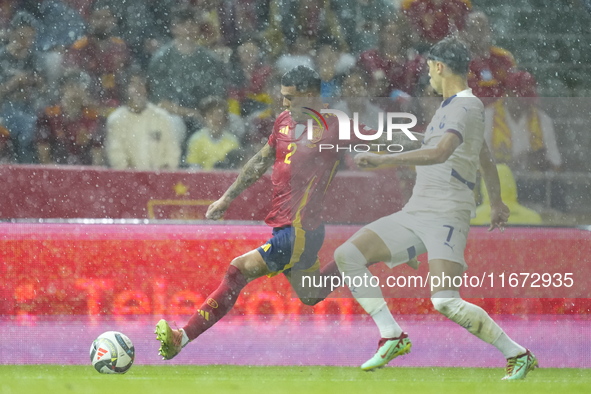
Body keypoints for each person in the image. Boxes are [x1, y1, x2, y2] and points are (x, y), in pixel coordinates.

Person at [154, 65, 421, 360]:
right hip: (288, 229)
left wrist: (436, 144)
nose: (284, 104)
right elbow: (260, 161)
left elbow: (386, 137)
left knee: (236, 271)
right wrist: (225, 199)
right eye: (283, 97)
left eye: (290, 97)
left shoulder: (336, 126)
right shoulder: (283, 121)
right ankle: (373, 252)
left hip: (299, 231)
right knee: (311, 294)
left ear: (309, 95)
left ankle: (182, 337)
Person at [334, 38, 538, 380]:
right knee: (348, 255)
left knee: (445, 301)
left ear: (440, 67)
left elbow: (441, 152)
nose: (427, 74)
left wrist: (385, 160)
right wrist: (497, 201)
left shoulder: (463, 106)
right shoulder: (450, 107)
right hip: (418, 211)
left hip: (447, 213)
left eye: (429, 67)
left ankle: (517, 354)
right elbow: (483, 155)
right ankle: (392, 335)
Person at [105, 67, 182, 170]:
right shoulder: (116, 120)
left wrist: (161, 176)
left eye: (141, 84)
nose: (138, 89)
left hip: (160, 181)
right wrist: (137, 179)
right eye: (133, 84)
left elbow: (172, 153)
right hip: (128, 181)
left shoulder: (162, 117)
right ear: (126, 89)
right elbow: (116, 156)